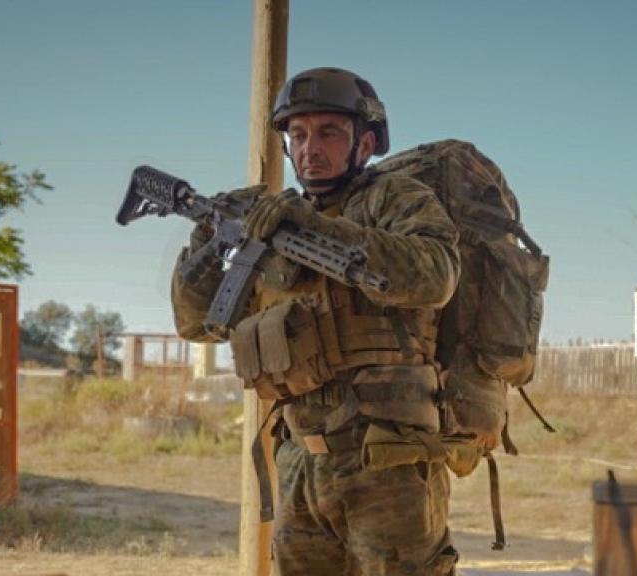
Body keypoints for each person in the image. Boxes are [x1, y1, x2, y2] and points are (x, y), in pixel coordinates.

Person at [171, 67, 461, 576]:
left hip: (387, 463)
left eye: (329, 133)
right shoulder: (270, 225)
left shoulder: (394, 198)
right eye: (298, 135)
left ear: (364, 143)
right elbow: (197, 324)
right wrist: (208, 242)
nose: (311, 148)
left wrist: (319, 228)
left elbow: (436, 276)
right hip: (299, 461)